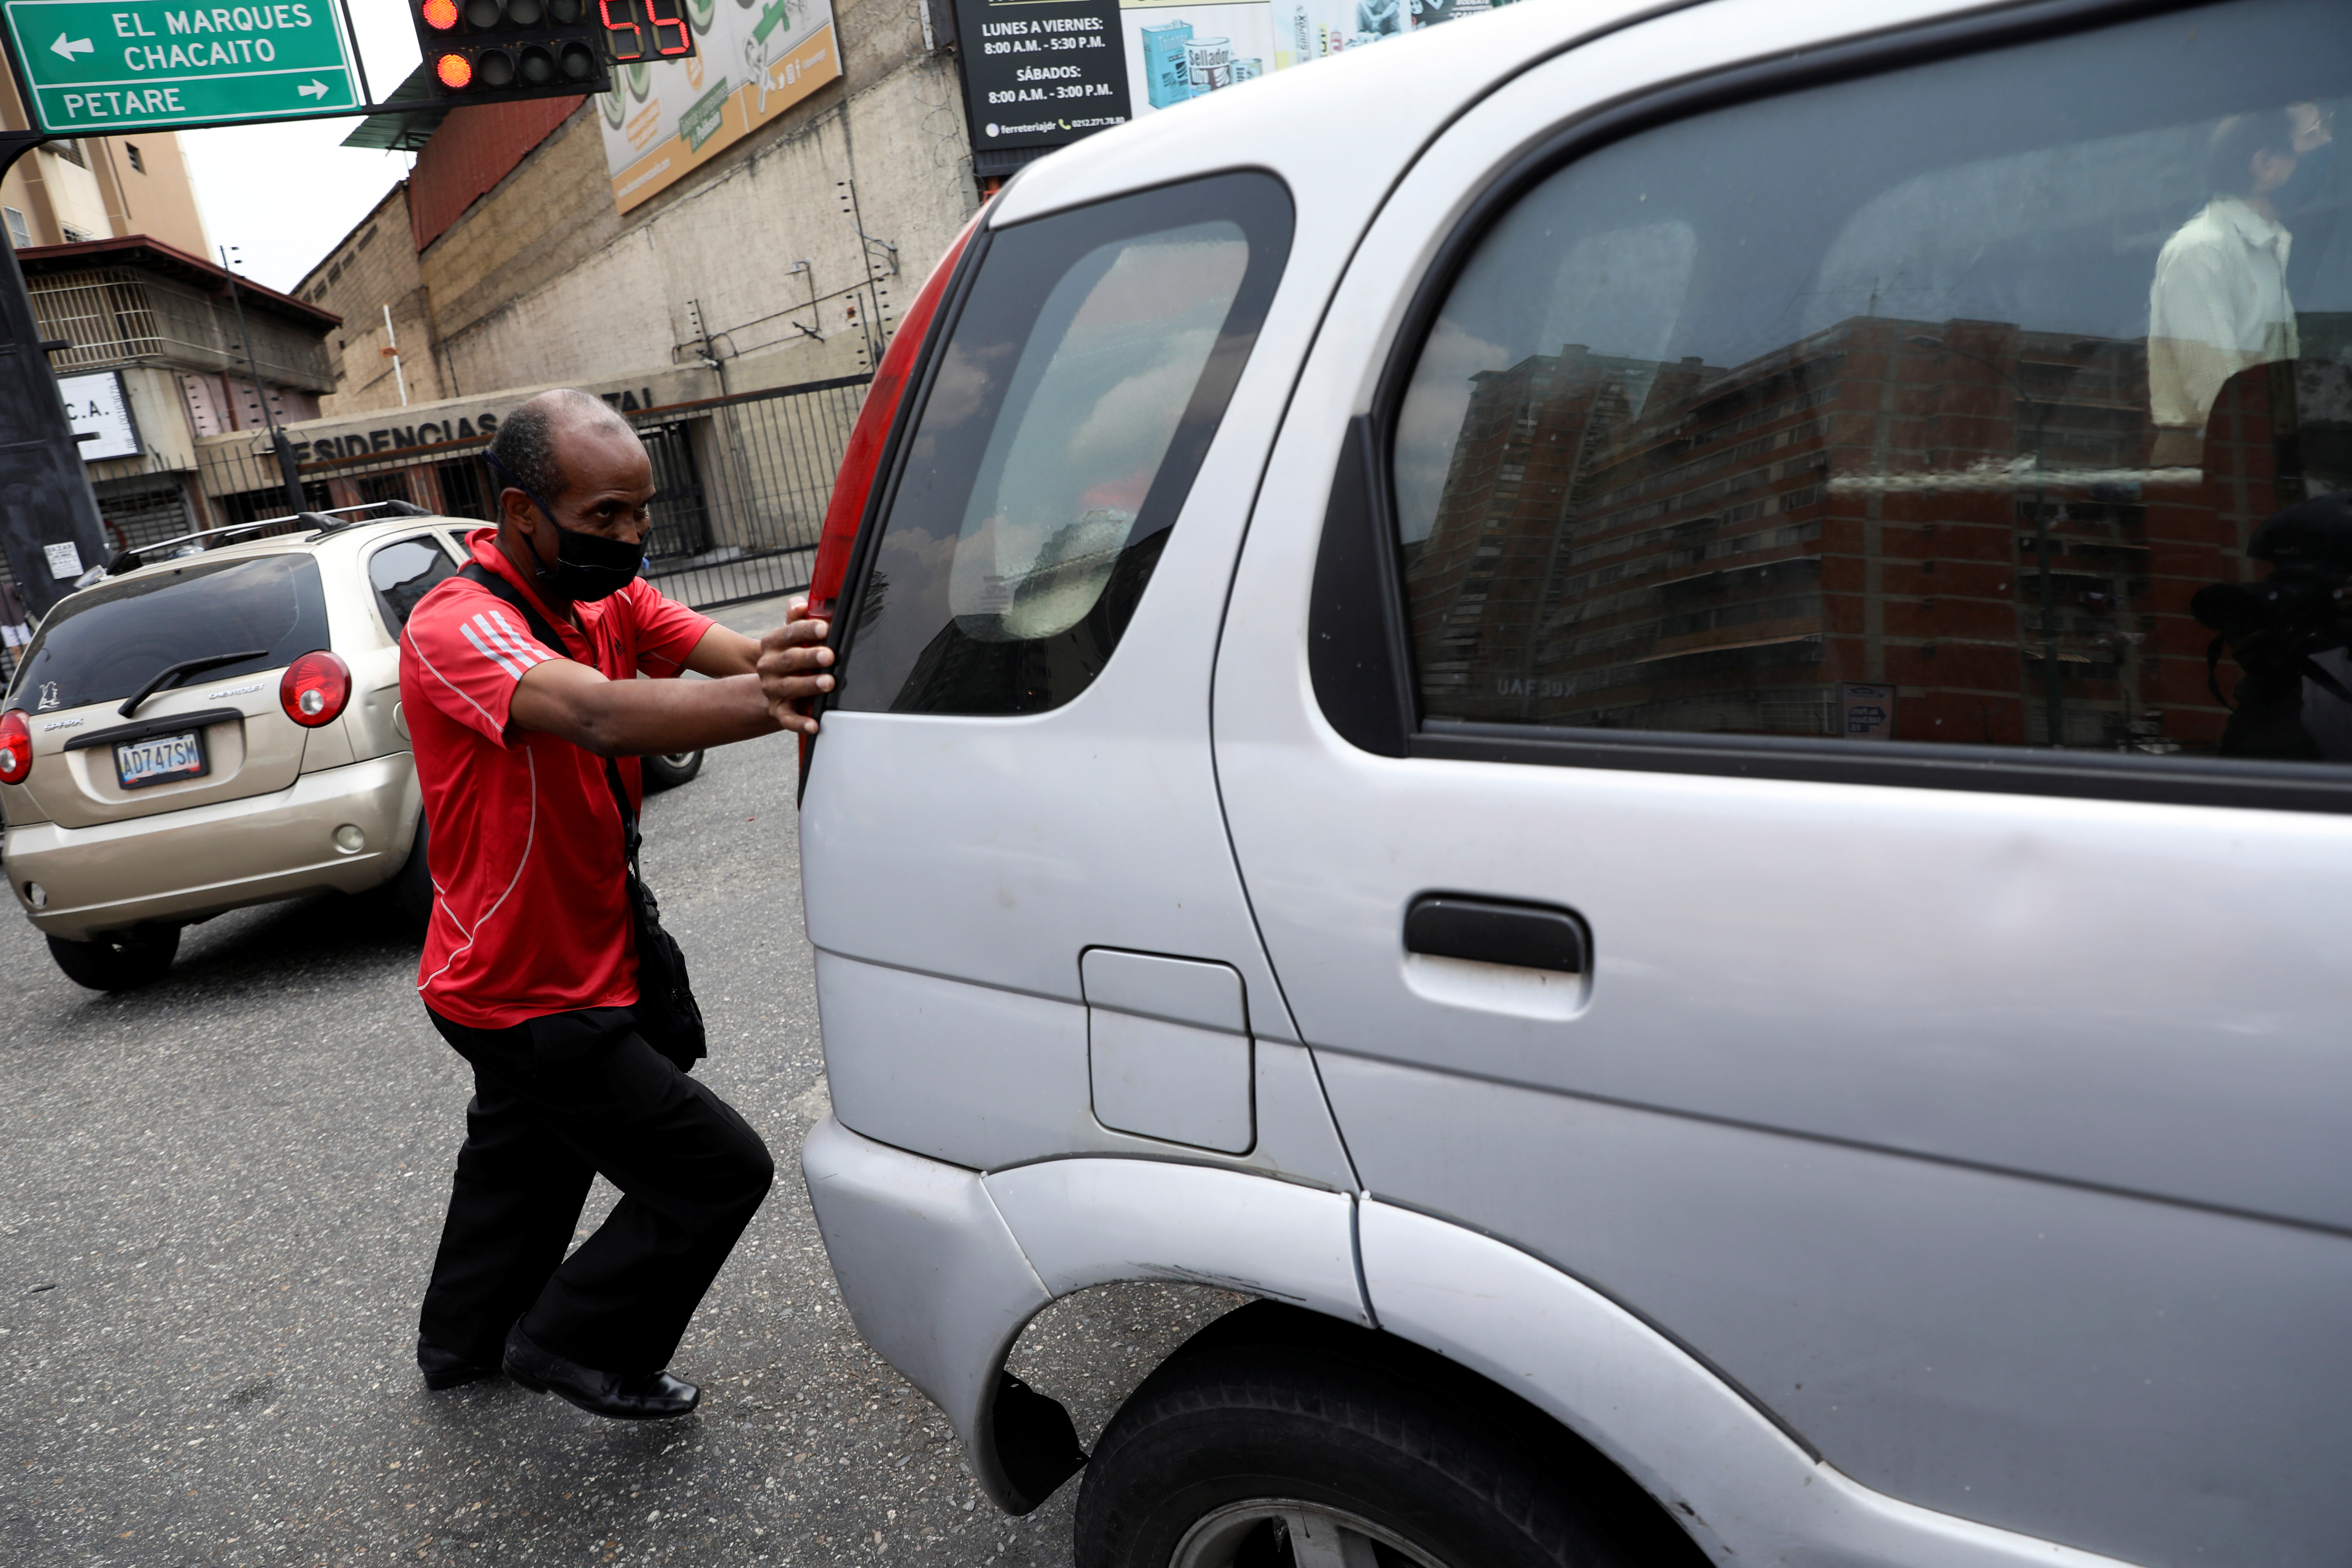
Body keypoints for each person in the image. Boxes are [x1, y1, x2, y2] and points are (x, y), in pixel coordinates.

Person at [401, 388, 833, 1420]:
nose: (631, 536)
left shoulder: (610, 600)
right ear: (519, 513)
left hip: (586, 957)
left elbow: (732, 656)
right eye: (604, 517)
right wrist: (772, 700)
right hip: (518, 987)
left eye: (640, 512)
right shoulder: (456, 625)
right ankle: (573, 1343)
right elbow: (593, 714)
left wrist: (803, 648)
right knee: (717, 1169)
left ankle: (460, 1344)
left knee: (525, 1156)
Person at [2147, 105, 2332, 466]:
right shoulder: (2202, 251)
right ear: (2264, 166)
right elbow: (2219, 396)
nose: (2329, 143)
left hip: (2254, 473)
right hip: (2211, 487)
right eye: (2312, 137)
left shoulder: (2265, 249)